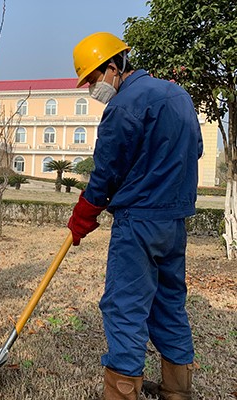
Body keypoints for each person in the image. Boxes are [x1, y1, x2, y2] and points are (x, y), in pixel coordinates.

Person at [67, 32, 202, 400]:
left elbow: (108, 169)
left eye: (93, 80)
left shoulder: (124, 106)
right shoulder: (180, 96)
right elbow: (197, 150)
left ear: (112, 67)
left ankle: (123, 392)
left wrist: (84, 213)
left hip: (139, 223)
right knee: (169, 302)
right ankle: (177, 390)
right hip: (174, 222)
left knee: (125, 305)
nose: (92, 89)